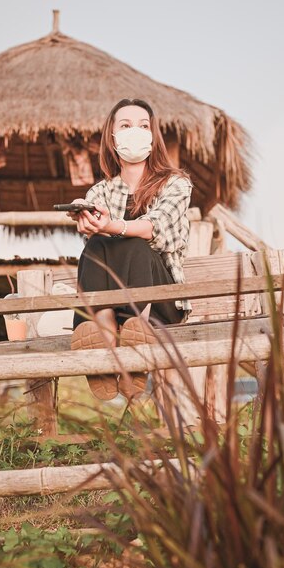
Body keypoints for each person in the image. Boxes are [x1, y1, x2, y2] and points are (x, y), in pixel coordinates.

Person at [68, 98, 192, 401]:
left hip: (160, 304)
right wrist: (86, 225)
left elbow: (155, 227)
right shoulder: (99, 192)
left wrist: (112, 226)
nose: (134, 131)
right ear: (112, 137)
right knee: (97, 244)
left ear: (153, 136)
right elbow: (99, 253)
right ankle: (111, 336)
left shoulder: (176, 184)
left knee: (136, 244)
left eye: (143, 126)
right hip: (112, 299)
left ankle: (120, 350)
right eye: (125, 126)